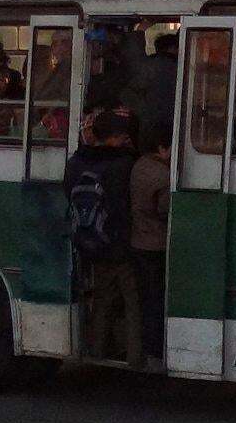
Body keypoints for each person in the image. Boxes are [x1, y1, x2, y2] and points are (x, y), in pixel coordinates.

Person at [65, 111, 138, 361]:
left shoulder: (76, 162)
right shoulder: (124, 165)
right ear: (115, 137)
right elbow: (125, 205)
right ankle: (135, 354)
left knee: (102, 299)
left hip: (90, 240)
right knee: (132, 301)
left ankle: (97, 350)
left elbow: (69, 195)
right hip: (121, 242)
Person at [128, 120, 173, 368]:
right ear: (162, 148)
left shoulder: (138, 166)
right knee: (158, 299)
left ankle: (147, 350)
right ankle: (156, 351)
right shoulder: (163, 176)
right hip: (156, 245)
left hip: (138, 241)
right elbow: (165, 211)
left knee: (146, 298)